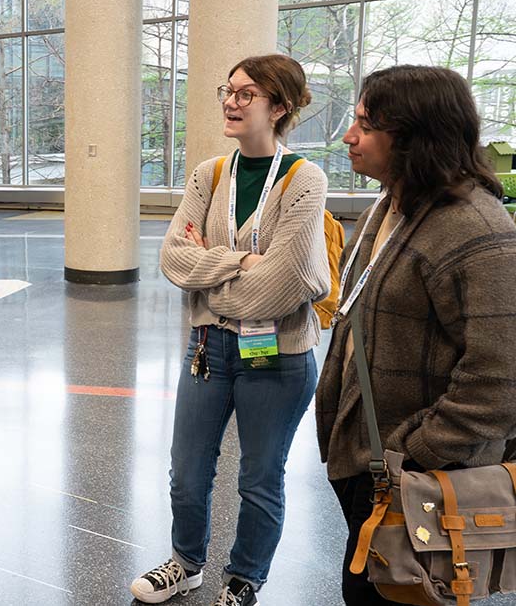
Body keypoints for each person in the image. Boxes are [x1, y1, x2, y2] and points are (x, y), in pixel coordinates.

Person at [132, 54, 330, 606]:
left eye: (247, 94)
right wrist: (243, 263)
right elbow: (173, 259)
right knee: (187, 473)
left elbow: (284, 284)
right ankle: (186, 563)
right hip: (209, 347)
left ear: (280, 107)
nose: (231, 101)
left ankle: (244, 577)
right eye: (229, 89)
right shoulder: (210, 173)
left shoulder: (304, 179)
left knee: (259, 479)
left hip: (278, 352)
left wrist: (211, 267)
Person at [316, 65, 516, 605]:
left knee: (389, 595)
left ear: (414, 136)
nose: (348, 137)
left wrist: (412, 450)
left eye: (364, 124)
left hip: (420, 471)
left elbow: (499, 382)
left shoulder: (477, 230)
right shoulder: (392, 205)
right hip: (371, 458)